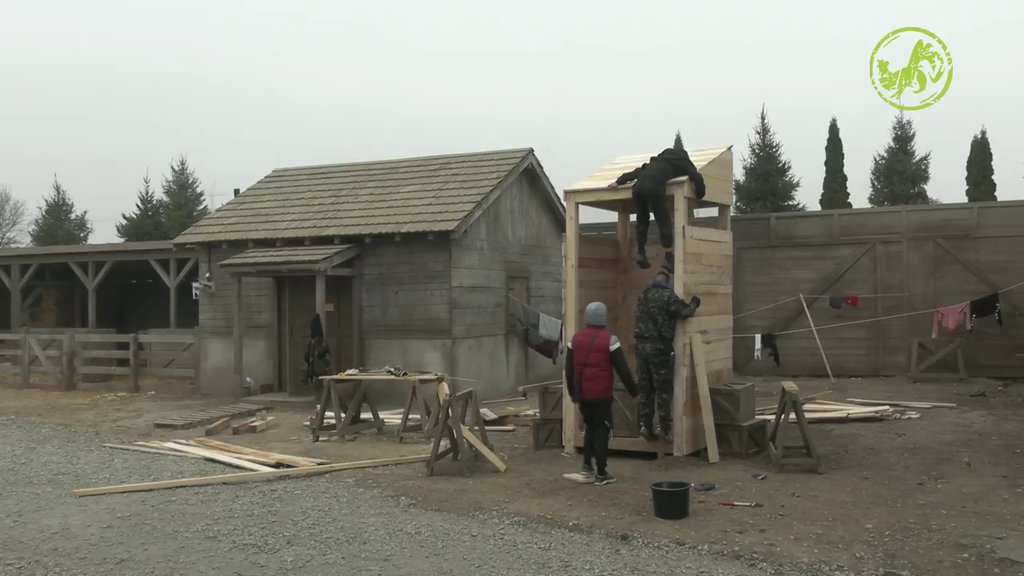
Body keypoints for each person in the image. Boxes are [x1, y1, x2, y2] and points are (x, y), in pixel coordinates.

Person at [564, 301, 639, 486]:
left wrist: (573, 393)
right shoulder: (610, 340)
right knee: (601, 430)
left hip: (583, 394)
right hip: (601, 394)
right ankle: (602, 472)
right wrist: (634, 392)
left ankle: (587, 466)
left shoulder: (575, 339)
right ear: (604, 318)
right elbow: (623, 369)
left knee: (590, 426)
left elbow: (569, 369)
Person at [609, 147, 707, 273]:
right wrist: (700, 194)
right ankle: (668, 256)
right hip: (654, 186)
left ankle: (640, 251)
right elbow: (696, 177)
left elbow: (635, 172)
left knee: (642, 219)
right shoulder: (683, 162)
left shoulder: (655, 163)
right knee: (662, 219)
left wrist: (618, 182)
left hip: (638, 187)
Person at [634, 270, 701, 442]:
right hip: (659, 348)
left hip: (641, 347)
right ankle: (665, 428)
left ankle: (645, 427)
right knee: (663, 389)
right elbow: (685, 312)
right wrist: (694, 303)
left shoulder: (643, 295)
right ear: (667, 282)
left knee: (645, 388)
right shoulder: (667, 296)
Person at [303, 313, 332, 395]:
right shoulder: (322, 341)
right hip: (321, 370)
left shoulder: (311, 342)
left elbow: (307, 357)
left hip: (315, 371)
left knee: (318, 392)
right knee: (322, 390)